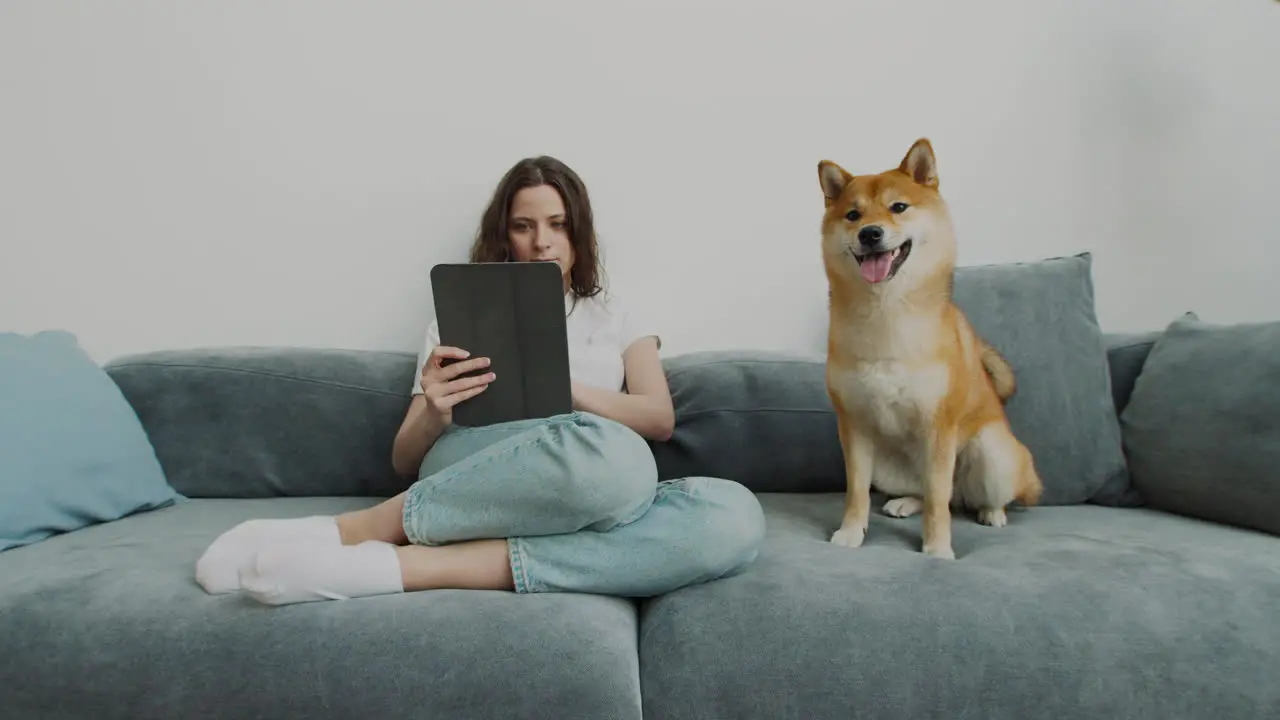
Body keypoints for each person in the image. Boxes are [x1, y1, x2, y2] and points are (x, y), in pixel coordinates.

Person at [194, 155, 766, 606]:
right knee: (622, 461)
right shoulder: (457, 317)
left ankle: (423, 565)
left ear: (578, 232)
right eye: (523, 227)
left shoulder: (616, 315)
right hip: (476, 470)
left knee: (732, 517)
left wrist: (565, 389)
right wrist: (434, 409)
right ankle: (358, 530)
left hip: (589, 486)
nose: (541, 241)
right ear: (505, 236)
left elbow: (659, 418)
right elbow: (403, 461)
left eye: (557, 225)